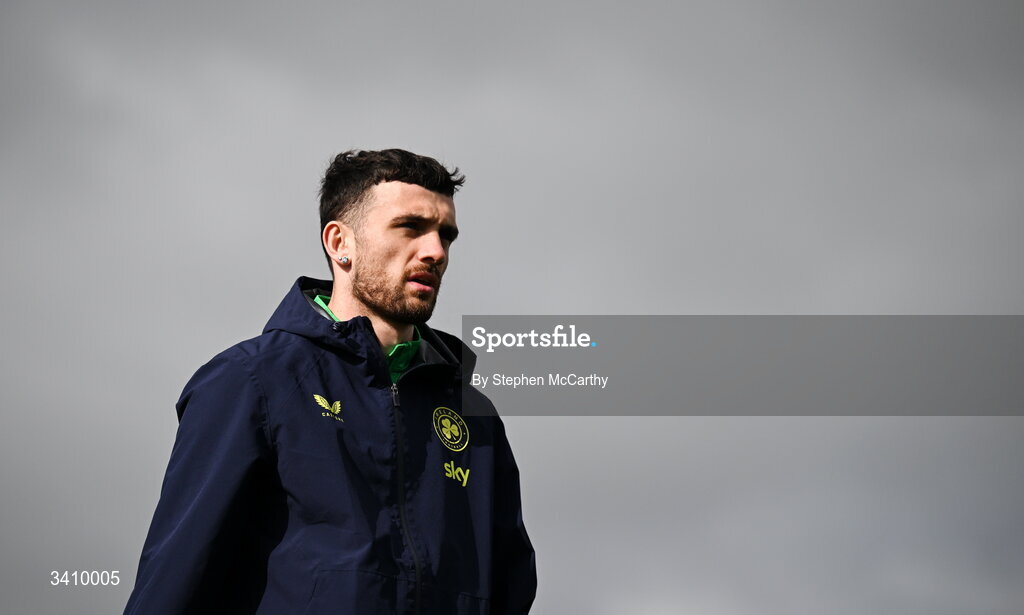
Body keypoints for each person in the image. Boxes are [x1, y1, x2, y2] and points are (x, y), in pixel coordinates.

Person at [123, 149, 537, 614]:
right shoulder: (251, 381)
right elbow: (179, 576)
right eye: (410, 227)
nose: (435, 252)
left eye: (446, 235)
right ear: (340, 242)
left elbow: (509, 589)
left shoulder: (473, 415)